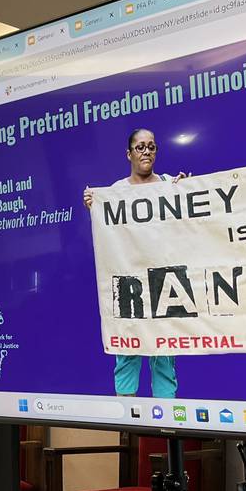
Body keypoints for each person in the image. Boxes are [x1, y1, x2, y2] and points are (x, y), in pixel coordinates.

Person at [84, 127, 185, 398]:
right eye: (140, 147)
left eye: (151, 146)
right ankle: (127, 418)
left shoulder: (169, 183)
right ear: (129, 154)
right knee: (128, 352)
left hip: (164, 283)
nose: (147, 151)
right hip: (131, 285)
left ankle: (167, 424)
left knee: (164, 355)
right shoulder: (116, 192)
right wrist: (95, 206)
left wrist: (187, 192)